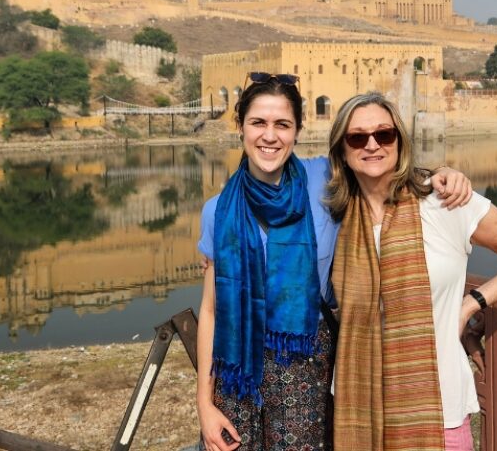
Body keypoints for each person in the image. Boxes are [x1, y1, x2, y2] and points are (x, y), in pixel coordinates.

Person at [196, 74, 473, 451]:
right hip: (237, 366)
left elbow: (379, 163)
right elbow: (211, 311)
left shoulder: (322, 180)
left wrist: (442, 174)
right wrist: (204, 404)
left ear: (297, 131)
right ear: (240, 127)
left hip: (305, 361)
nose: (270, 136)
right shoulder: (218, 211)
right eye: (258, 123)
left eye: (283, 124)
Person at [325, 92, 497, 451]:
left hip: (437, 408)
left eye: (384, 135)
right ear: (341, 150)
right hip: (359, 408)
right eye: (357, 137)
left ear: (400, 141)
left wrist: (471, 304)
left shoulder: (444, 202)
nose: (372, 145)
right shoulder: (334, 217)